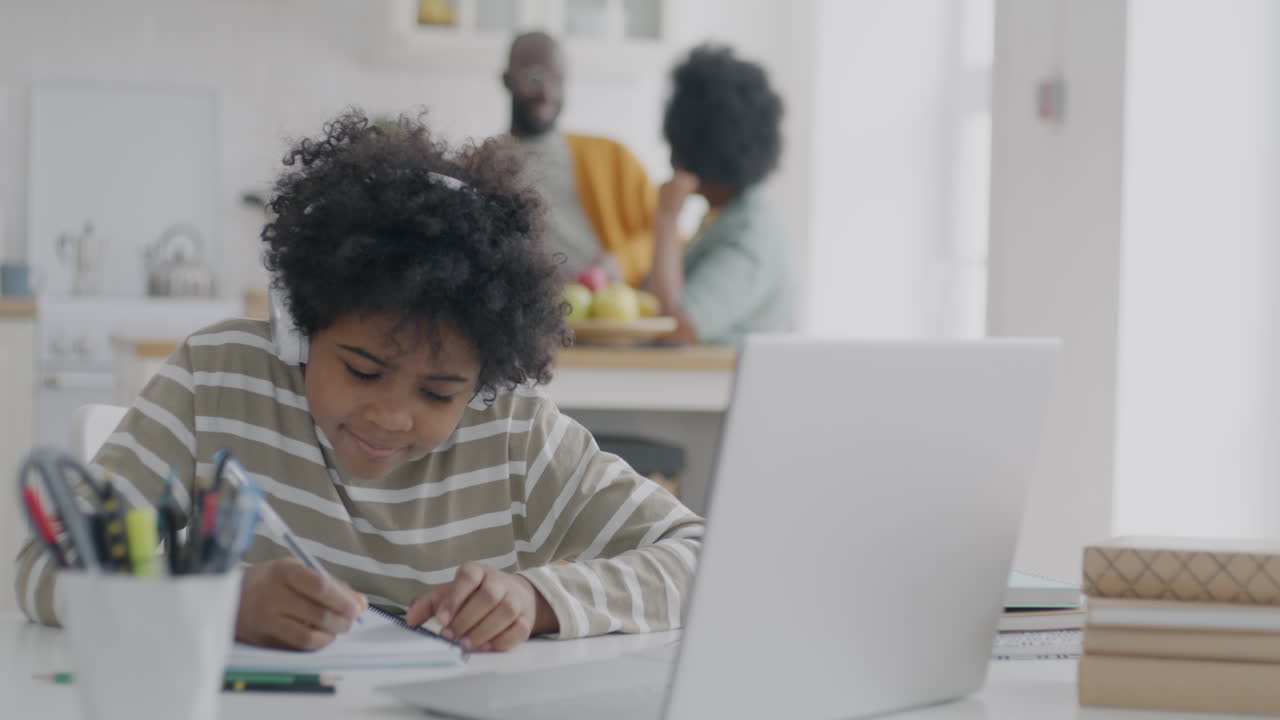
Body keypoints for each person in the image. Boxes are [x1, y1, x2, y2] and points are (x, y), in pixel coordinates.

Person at [13, 109, 704, 653]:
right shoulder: (214, 380)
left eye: (438, 393)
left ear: (485, 382)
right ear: (301, 324)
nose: (392, 415)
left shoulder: (516, 434)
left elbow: (702, 561)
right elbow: (44, 573)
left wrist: (539, 600)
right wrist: (216, 600)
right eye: (362, 370)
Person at [648, 45, 791, 345]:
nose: (673, 161)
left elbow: (674, 328)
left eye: (679, 149)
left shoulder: (751, 233)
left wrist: (667, 217)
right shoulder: (726, 217)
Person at [501, 31, 657, 287]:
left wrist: (618, 264)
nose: (547, 93)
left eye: (558, 80)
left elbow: (665, 238)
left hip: (605, 311)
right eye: (535, 77)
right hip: (522, 313)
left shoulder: (613, 157)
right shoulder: (480, 166)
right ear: (507, 80)